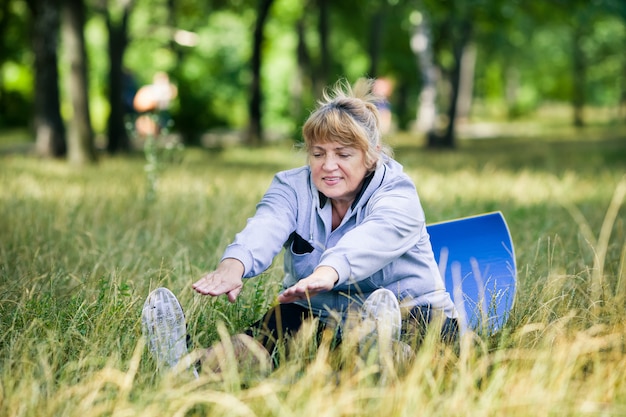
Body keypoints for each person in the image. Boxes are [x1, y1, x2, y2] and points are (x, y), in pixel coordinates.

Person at [142, 78, 458, 376]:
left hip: (411, 312)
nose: (328, 166)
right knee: (266, 335)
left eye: (343, 154)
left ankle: (381, 359)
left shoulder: (398, 193)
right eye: (318, 154)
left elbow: (372, 238)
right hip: (322, 316)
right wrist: (232, 267)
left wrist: (325, 273)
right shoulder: (291, 187)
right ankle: (184, 367)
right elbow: (265, 226)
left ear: (371, 156)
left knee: (422, 346)